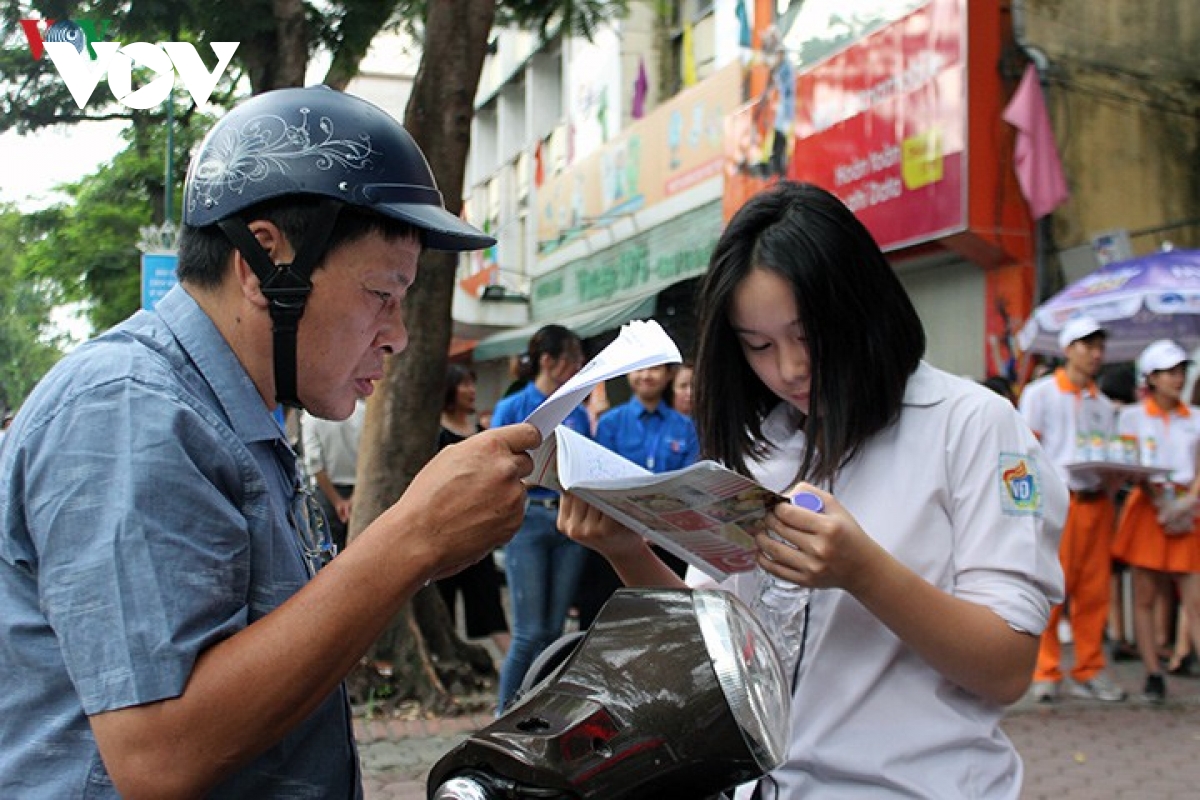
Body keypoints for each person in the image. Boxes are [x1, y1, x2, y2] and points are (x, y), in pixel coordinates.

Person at [0, 86, 542, 799]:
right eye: (382, 293)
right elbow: (159, 754)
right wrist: (412, 539)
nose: (400, 335)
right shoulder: (130, 411)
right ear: (267, 260)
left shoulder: (235, 418)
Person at [557, 181, 1066, 797]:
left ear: (864, 307)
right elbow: (713, 654)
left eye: (808, 336)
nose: (790, 370)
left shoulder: (974, 426)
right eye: (759, 347)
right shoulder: (762, 444)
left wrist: (864, 572)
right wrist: (627, 549)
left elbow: (1007, 668)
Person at [1018, 315, 1129, 702]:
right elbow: (1024, 451)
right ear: (1068, 349)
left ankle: (1089, 667)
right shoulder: (1040, 393)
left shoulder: (1102, 404)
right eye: (1087, 346)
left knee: (1094, 591)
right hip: (1055, 503)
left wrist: (1115, 475)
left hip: (1096, 502)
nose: (1095, 354)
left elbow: (1110, 453)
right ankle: (1045, 670)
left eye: (1099, 347)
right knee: (1050, 588)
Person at [492, 324, 591, 713]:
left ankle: (536, 710)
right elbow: (497, 466)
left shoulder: (578, 412)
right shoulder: (514, 406)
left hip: (567, 520)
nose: (577, 369)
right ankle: (503, 713)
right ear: (548, 361)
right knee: (528, 631)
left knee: (554, 631)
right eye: (572, 361)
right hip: (529, 520)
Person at [575, 364, 700, 628]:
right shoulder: (611, 422)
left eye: (655, 370)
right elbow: (603, 479)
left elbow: (689, 482)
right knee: (615, 623)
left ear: (668, 375)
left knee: (668, 623)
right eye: (639, 370)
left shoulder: (686, 427)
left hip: (670, 542)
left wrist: (655, 525)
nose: (646, 376)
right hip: (619, 534)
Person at [1111, 340, 1200, 702]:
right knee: (1144, 595)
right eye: (1169, 372)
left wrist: (1190, 499)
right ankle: (1152, 672)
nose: (1177, 379)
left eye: (1180, 371)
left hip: (1189, 508)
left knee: (1194, 597)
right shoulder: (1132, 417)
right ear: (1151, 378)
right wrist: (1156, 497)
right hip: (1148, 506)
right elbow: (1127, 464)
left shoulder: (1195, 417)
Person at [434, 364, 511, 656]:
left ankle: (519, 674)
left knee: (490, 605)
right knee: (445, 605)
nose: (471, 390)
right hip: (446, 536)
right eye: (464, 384)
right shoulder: (436, 433)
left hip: (481, 534)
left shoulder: (482, 432)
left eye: (472, 384)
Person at [301, 398, 366, 553]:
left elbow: (314, 463)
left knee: (329, 552)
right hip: (361, 488)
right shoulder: (363, 412)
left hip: (327, 493)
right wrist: (355, 497)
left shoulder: (312, 417)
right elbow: (370, 455)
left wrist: (338, 502)